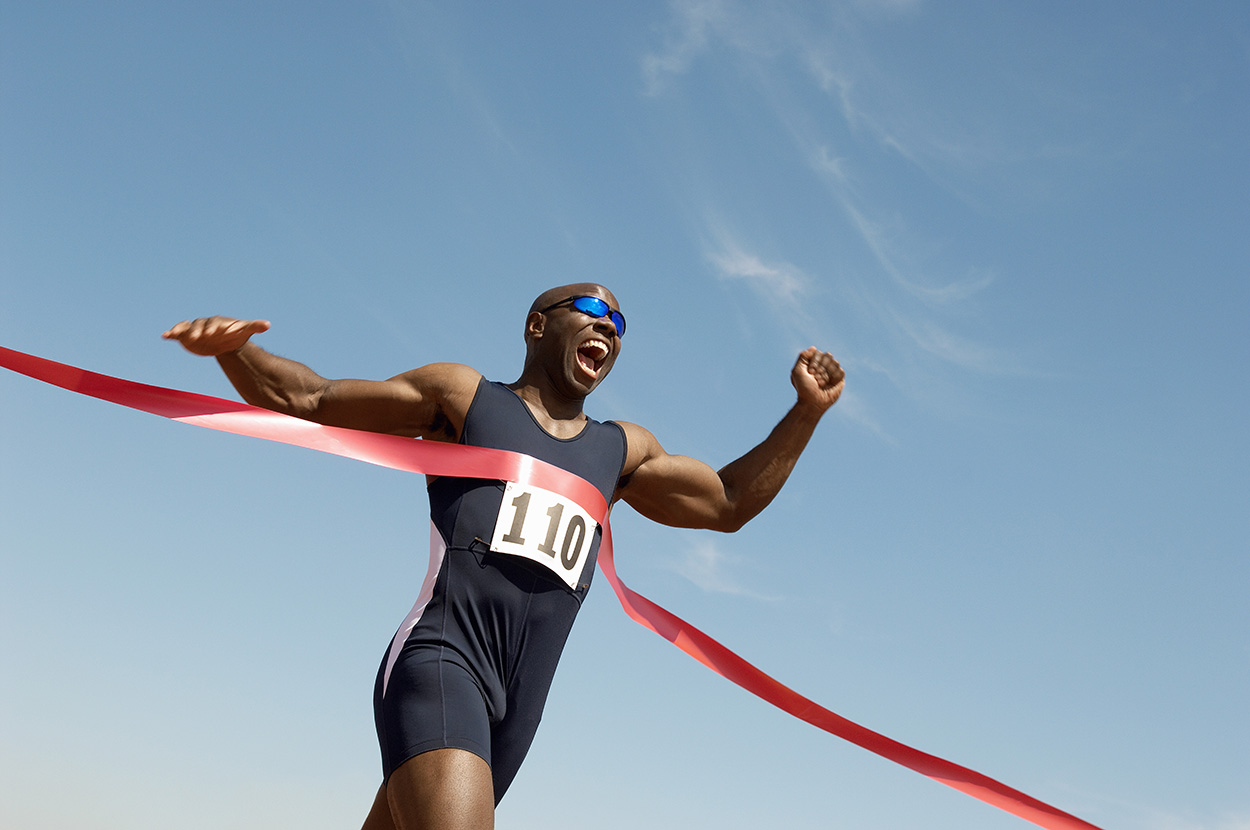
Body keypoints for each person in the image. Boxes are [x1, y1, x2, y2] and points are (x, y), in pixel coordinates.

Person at [162, 283, 844, 830]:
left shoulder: (622, 451)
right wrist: (234, 353)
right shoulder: (465, 398)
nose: (608, 326)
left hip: (516, 712)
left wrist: (805, 415)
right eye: (593, 310)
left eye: (620, 323)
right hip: (442, 662)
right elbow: (310, 397)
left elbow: (725, 502)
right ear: (537, 326)